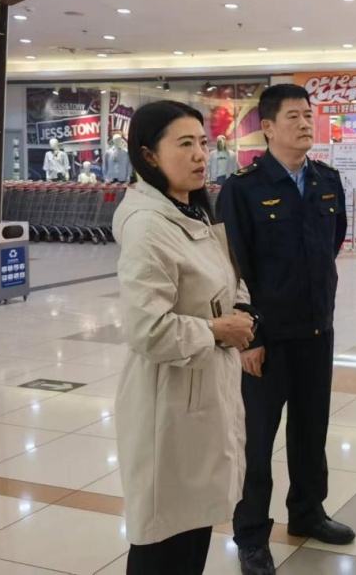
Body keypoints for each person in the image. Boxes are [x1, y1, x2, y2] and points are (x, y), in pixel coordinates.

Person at [113, 100, 256, 575]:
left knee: (192, 528)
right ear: (148, 155)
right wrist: (216, 329)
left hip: (203, 392)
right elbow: (146, 329)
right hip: (169, 401)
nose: (200, 155)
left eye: (203, 143)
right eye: (185, 144)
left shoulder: (190, 210)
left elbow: (225, 281)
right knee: (164, 538)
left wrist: (241, 310)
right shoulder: (148, 227)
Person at [218, 84, 352, 575]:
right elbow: (232, 268)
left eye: (308, 114)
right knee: (256, 441)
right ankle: (251, 534)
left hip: (316, 331)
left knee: (311, 431)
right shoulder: (243, 188)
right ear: (268, 127)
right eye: (293, 116)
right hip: (266, 339)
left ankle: (308, 512)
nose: (304, 123)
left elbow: (332, 244)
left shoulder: (326, 180)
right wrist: (250, 338)